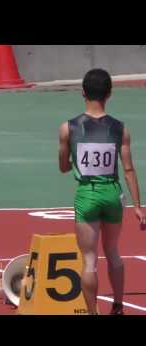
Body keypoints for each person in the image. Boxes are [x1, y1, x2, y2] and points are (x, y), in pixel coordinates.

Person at [58, 68, 146, 315]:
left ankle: (92, 312)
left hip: (87, 193)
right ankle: (118, 306)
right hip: (112, 193)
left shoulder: (68, 128)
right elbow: (128, 169)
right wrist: (138, 206)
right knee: (113, 252)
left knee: (89, 259)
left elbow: (63, 167)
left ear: (82, 92)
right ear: (109, 94)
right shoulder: (120, 129)